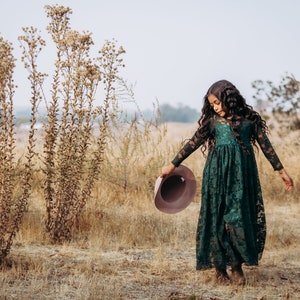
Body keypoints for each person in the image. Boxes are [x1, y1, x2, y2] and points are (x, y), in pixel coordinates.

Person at [160, 80, 294, 285]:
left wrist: (281, 171)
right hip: (216, 177)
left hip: (242, 179)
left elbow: (266, 146)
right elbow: (194, 142)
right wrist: (172, 164)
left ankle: (237, 266)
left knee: (237, 218)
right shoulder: (213, 123)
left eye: (218, 103)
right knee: (217, 218)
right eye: (212, 104)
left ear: (229, 99)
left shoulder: (249, 122)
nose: (215, 107)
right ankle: (220, 269)